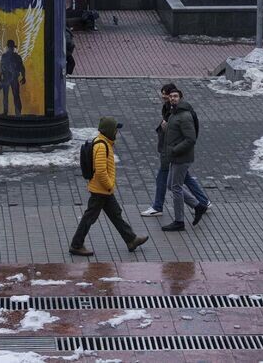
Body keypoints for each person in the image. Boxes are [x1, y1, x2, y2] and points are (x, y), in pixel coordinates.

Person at [69, 117, 149, 256]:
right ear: (109, 130)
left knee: (115, 214)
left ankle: (131, 240)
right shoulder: (101, 146)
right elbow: (100, 171)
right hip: (101, 190)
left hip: (103, 189)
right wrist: (109, 185)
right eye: (115, 129)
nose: (117, 132)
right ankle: (76, 245)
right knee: (89, 217)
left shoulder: (105, 142)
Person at [142, 83, 209, 217]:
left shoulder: (182, 112)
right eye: (165, 97)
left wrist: (173, 149)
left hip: (174, 152)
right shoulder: (171, 109)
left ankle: (160, 207)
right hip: (173, 151)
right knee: (184, 178)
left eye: (168, 97)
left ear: (178, 97)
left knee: (168, 181)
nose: (166, 100)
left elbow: (190, 136)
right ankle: (202, 202)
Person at [161, 88, 207, 231]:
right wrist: (166, 128)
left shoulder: (184, 115)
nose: (173, 98)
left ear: (181, 98)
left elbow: (190, 139)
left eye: (175, 96)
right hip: (175, 156)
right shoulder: (174, 113)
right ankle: (198, 205)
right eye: (171, 96)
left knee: (176, 187)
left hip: (182, 157)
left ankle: (179, 221)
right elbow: (175, 133)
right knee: (171, 185)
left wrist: (175, 150)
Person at [0, 39, 26, 116]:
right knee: (11, 96)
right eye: (11, 47)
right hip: (9, 78)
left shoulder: (12, 56)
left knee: (14, 95)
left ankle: (16, 112)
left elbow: (22, 68)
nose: (11, 49)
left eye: (11, 47)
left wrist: (24, 76)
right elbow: (2, 67)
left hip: (10, 78)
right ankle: (13, 112)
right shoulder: (14, 56)